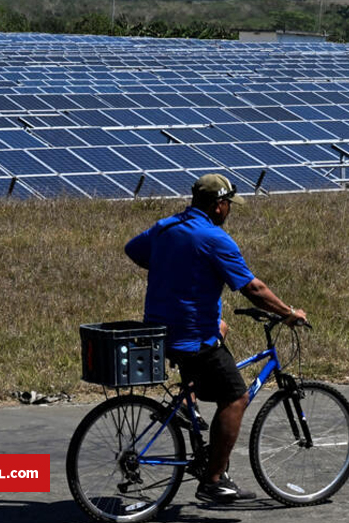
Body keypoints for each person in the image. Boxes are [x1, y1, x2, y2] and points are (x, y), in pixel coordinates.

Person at [124, 173, 307, 503]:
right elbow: (253, 289)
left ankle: (189, 405)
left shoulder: (165, 227)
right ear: (219, 206)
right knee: (236, 396)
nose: (230, 211)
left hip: (159, 330)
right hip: (189, 337)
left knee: (219, 331)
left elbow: (134, 250)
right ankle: (212, 480)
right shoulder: (215, 238)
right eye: (229, 205)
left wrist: (170, 263)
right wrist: (287, 313)